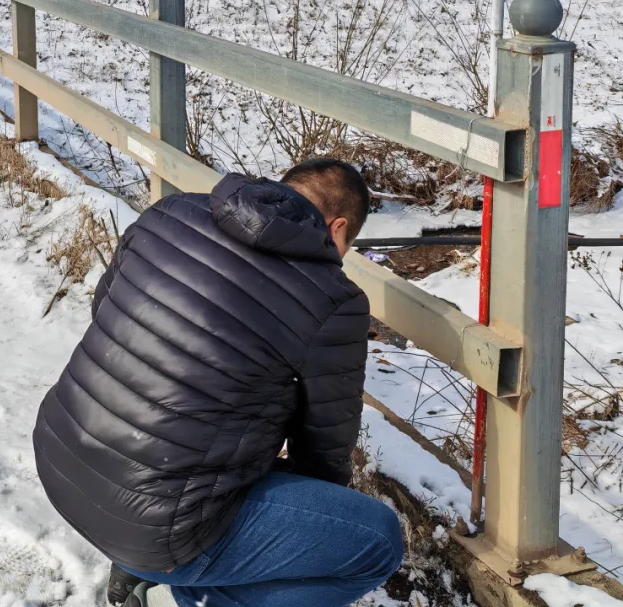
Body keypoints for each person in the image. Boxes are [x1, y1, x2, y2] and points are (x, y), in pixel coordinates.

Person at [32, 159, 403, 607]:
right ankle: (191, 593)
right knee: (378, 544)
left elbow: (106, 312)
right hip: (157, 528)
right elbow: (321, 456)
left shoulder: (170, 213)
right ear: (338, 227)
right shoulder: (335, 299)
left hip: (61, 459)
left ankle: (137, 565)